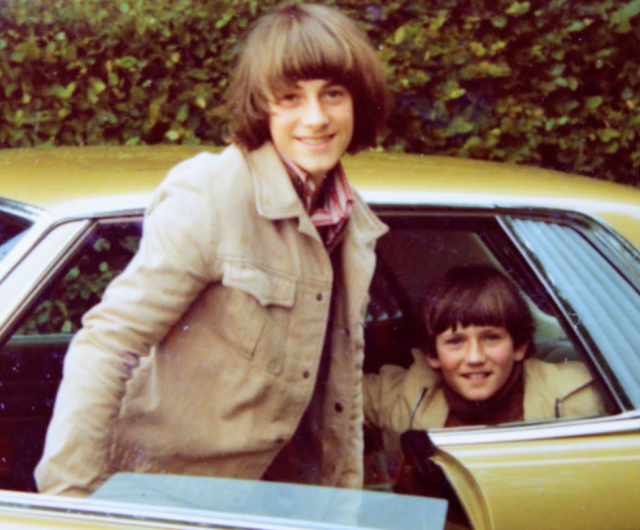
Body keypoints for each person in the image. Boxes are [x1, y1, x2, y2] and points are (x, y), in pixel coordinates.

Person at [35, 2, 391, 496]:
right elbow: (108, 343)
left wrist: (346, 501)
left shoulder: (353, 220)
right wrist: (72, 500)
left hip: (284, 497)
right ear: (261, 106)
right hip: (166, 495)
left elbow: (341, 388)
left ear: (359, 100)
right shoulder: (211, 191)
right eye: (290, 97)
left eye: (332, 93)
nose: (315, 118)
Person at [363, 264, 608, 479]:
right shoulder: (401, 395)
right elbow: (335, 397)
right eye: (455, 342)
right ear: (432, 355)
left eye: (491, 338)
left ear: (519, 346)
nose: (475, 358)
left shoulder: (577, 398)